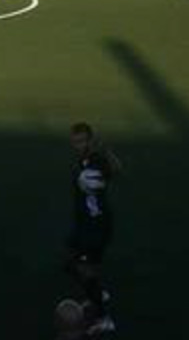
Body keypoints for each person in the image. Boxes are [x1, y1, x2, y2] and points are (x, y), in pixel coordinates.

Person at [66, 122, 120, 335]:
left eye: (82, 141)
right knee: (73, 262)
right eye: (75, 141)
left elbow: (115, 169)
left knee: (82, 268)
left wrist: (108, 154)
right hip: (85, 225)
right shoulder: (85, 159)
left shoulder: (96, 160)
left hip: (96, 226)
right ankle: (96, 294)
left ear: (89, 140)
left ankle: (104, 318)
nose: (78, 145)